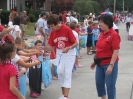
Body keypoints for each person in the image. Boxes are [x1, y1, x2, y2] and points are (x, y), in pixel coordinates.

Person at [40, 14, 78, 99]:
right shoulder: (53, 32)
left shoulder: (66, 29)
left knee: (67, 74)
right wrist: (44, 47)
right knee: (60, 73)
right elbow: (51, 47)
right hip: (60, 52)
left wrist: (69, 48)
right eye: (49, 26)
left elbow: (76, 43)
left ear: (57, 23)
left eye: (52, 26)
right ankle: (63, 94)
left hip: (69, 52)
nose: (51, 28)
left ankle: (66, 96)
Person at [90, 14, 121, 99]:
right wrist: (95, 61)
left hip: (109, 63)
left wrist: (111, 65)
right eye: (99, 22)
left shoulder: (114, 35)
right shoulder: (101, 34)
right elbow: (99, 49)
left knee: (110, 86)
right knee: (99, 84)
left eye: (101, 22)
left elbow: (116, 51)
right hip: (100, 63)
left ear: (107, 23)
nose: (99, 24)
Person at [0, 35, 25, 99]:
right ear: (12, 53)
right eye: (15, 51)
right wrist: (21, 96)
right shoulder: (11, 68)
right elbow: (12, 87)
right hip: (10, 96)